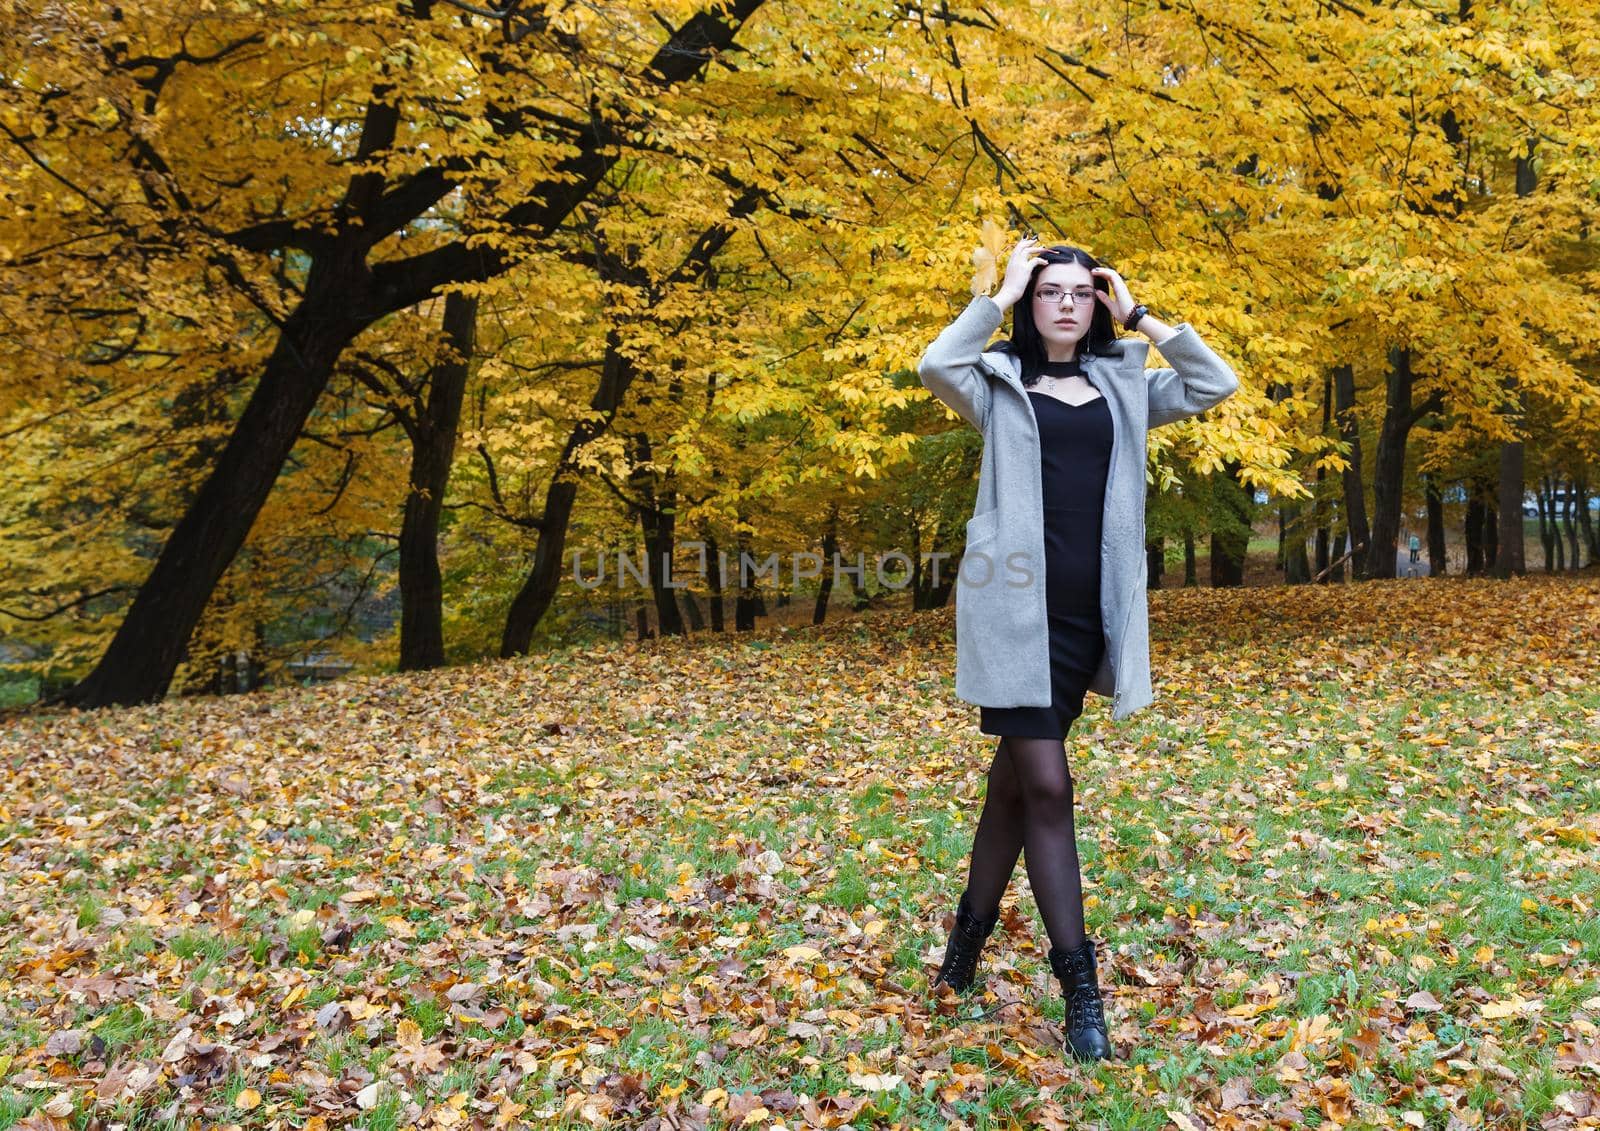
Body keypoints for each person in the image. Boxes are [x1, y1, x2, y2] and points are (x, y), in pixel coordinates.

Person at [916, 237, 1240, 1062]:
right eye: (1049, 291)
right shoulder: (996, 384)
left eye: (1080, 293)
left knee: (1013, 797)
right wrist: (998, 292)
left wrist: (1140, 315)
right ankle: (1081, 993)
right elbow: (935, 361)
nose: (1066, 303)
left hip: (1084, 620)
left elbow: (1213, 383)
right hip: (1011, 615)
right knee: (1050, 789)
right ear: (1032, 304)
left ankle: (960, 956)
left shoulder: (1123, 384)